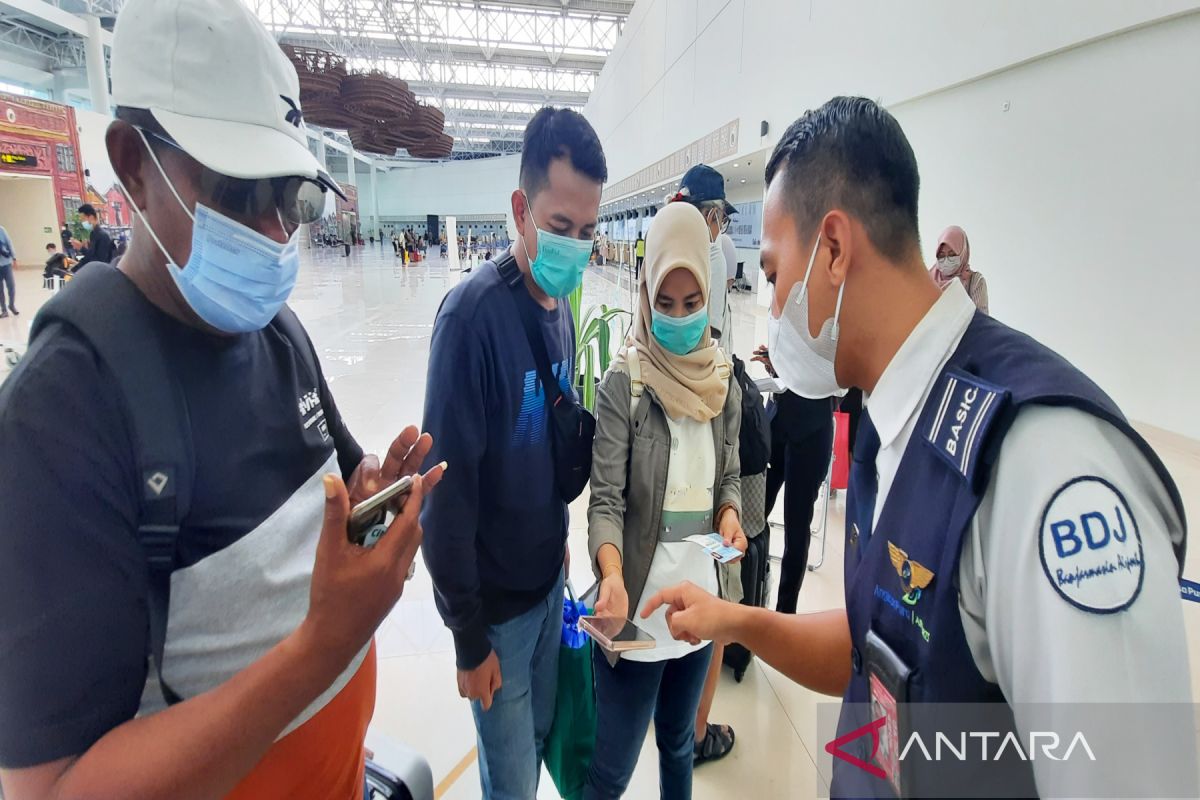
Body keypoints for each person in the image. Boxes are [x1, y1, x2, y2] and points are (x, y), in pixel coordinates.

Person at [643, 97, 1193, 798]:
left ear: (834, 251)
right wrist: (736, 620)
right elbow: (876, 644)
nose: (772, 307)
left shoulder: (1043, 463)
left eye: (777, 276)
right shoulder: (891, 418)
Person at [0, 1, 445, 797]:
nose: (277, 236)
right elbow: (52, 788)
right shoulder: (65, 418)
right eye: (242, 194)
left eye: (293, 201)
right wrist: (319, 648)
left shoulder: (280, 336)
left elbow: (342, 487)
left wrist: (370, 501)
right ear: (134, 162)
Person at [421, 106, 606, 800]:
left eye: (587, 232)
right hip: (495, 613)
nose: (576, 246)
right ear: (520, 209)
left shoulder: (557, 312)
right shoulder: (471, 320)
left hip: (547, 584)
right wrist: (468, 637)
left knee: (537, 747)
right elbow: (446, 493)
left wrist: (558, 543)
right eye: (561, 228)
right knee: (510, 781)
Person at [586, 202, 745, 799]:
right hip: (632, 607)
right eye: (665, 303)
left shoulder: (722, 381)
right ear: (646, 294)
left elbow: (726, 478)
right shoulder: (624, 384)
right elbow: (605, 499)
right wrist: (609, 573)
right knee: (611, 768)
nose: (678, 318)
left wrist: (729, 515)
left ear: (709, 297)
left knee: (679, 743)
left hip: (698, 606)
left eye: (692, 303)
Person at [750, 347, 834, 614]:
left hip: (813, 427)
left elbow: (839, 380)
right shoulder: (786, 312)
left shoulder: (838, 318)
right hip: (777, 419)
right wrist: (776, 364)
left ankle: (785, 614)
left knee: (797, 529)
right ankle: (748, 594)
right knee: (752, 515)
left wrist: (796, 364)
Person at [669, 164, 737, 344]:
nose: (720, 229)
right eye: (722, 220)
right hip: (704, 368)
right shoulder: (712, 255)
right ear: (712, 215)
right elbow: (709, 338)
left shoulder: (667, 249)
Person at [930, 224, 988, 314]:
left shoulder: (975, 281)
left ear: (963, 252)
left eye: (952, 254)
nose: (946, 259)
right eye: (941, 255)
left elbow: (981, 321)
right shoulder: (929, 281)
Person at [71, 203, 116, 269]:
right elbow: (90, 256)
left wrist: (81, 248)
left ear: (91, 217)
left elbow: (99, 261)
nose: (82, 223)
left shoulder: (102, 236)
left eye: (83, 219)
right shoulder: (93, 234)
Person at [0, 224, 16, 317]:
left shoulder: (1, 230)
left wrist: (14, 257)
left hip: (6, 263)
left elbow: (9, 243)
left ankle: (11, 305)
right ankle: (4, 310)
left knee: (11, 286)